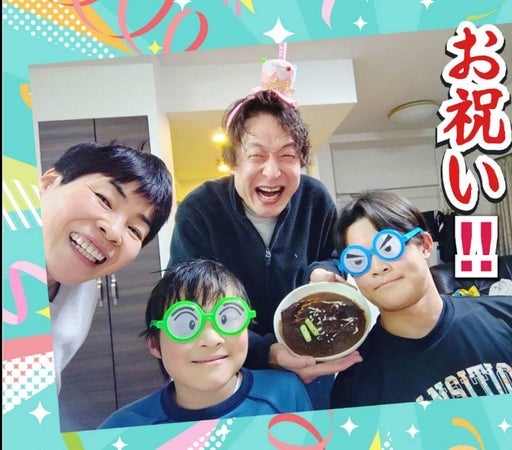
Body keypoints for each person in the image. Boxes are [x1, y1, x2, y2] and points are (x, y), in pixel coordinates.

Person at [168, 53, 360, 409]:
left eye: (287, 156)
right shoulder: (200, 211)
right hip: (231, 371)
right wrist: (268, 351)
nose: (272, 173)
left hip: (311, 357)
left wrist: (322, 272)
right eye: (257, 156)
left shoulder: (315, 198)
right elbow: (188, 302)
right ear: (232, 161)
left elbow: (334, 256)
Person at [329, 191, 512, 408]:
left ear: (425, 245)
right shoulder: (353, 387)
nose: (377, 267)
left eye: (388, 247)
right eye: (357, 260)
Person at [99, 259, 312, 428]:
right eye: (186, 324)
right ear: (154, 344)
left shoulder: (286, 393)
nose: (211, 340)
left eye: (227, 318)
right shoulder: (124, 429)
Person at [40, 142, 173, 392]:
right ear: (48, 184)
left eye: (135, 230)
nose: (113, 232)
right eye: (104, 200)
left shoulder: (85, 290)